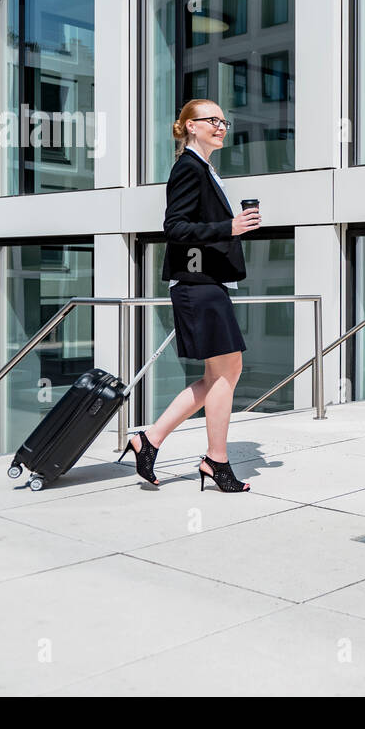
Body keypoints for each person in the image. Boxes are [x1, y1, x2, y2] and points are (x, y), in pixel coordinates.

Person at [118, 99, 262, 492]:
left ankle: (149, 440)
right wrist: (228, 227)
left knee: (222, 373)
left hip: (207, 284)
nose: (221, 126)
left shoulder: (206, 170)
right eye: (211, 120)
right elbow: (175, 228)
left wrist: (231, 228)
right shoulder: (188, 168)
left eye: (223, 120)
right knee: (226, 372)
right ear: (189, 127)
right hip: (197, 286)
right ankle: (216, 461)